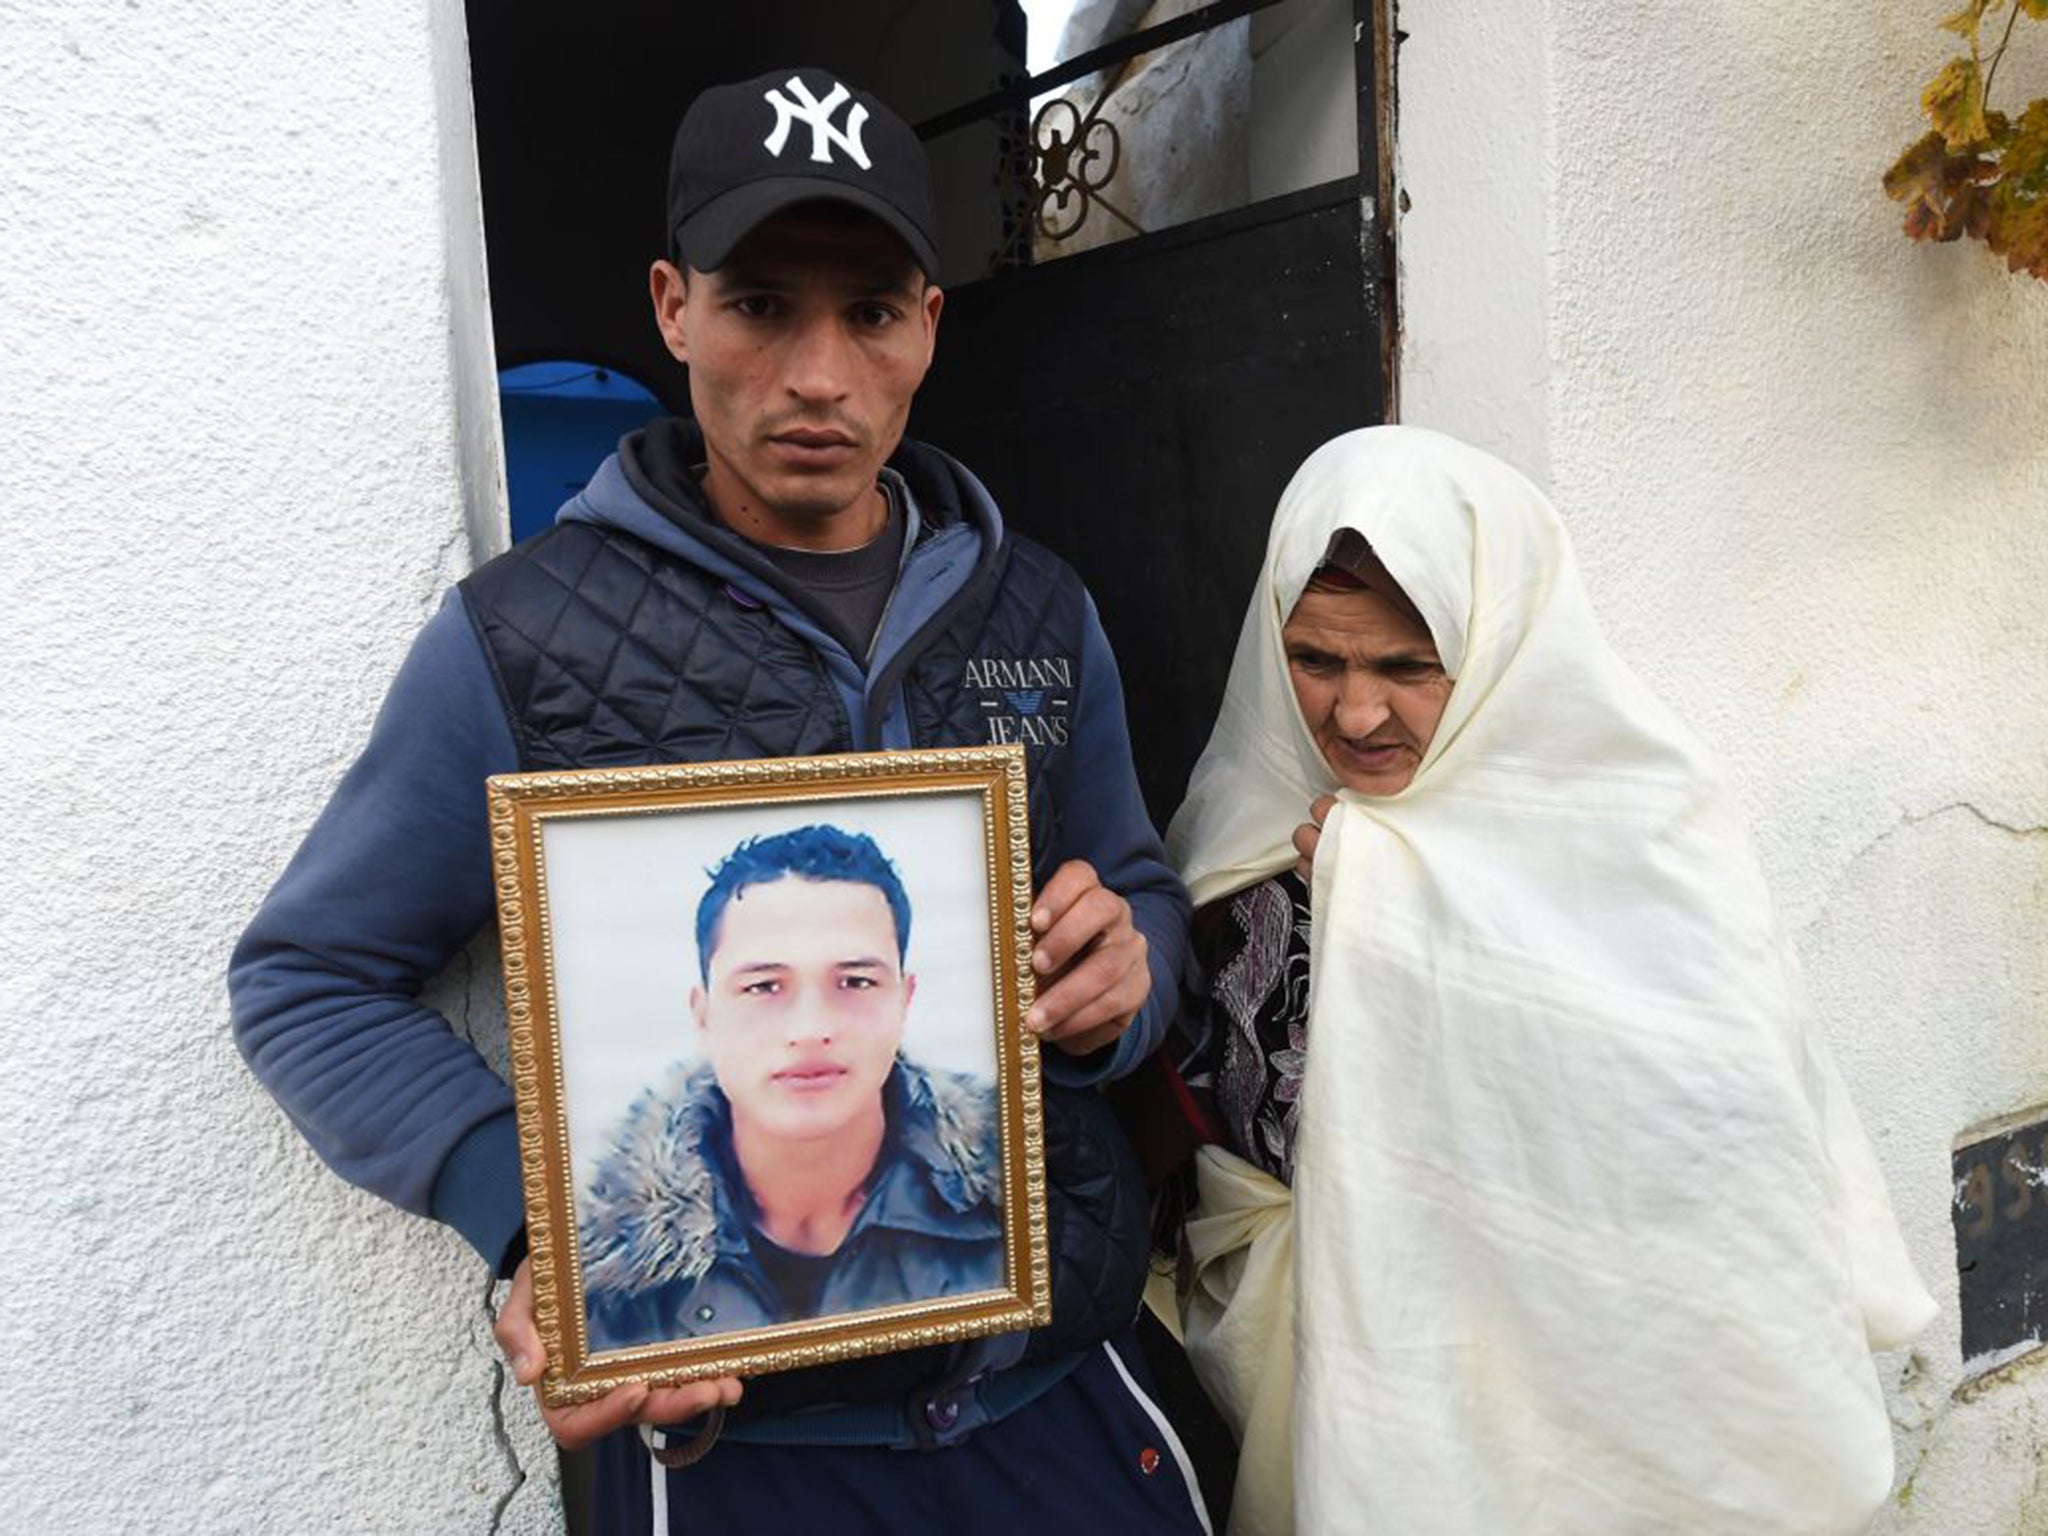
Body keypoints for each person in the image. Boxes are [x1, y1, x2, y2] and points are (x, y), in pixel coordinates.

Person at [230, 66, 1208, 1533]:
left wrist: (1121, 976)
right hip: (747, 1462)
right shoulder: (522, 642)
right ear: (673, 306)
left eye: (872, 311)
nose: (819, 375)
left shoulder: (1037, 608)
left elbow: (1142, 901)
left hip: (1055, 1410)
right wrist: (530, 1220)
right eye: (761, 305)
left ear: (929, 330)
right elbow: (305, 979)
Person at [1161, 426, 1935, 1535]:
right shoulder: (1246, 826)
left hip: (1572, 1400)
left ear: (1497, 647)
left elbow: (1716, 1163)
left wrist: (1393, 910)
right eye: (1315, 659)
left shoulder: (1643, 833)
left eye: (1406, 666)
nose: (1354, 714)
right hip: (1304, 1365)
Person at [579, 824, 1003, 1351]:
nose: (808, 1028)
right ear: (705, 1015)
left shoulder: (1010, 1204)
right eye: (763, 986)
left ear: (904, 1001)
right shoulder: (609, 1278)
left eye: (855, 981)